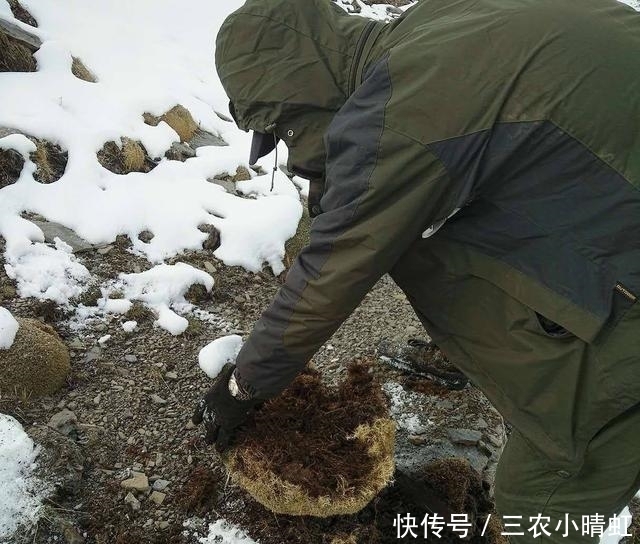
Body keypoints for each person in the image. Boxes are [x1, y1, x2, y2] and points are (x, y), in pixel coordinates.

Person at [192, 0, 640, 541]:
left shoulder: (405, 107)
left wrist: (244, 387)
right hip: (611, 187)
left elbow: (338, 264)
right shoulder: (437, 24)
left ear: (300, 88)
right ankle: (498, 349)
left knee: (549, 484)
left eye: (286, 127)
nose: (292, 145)